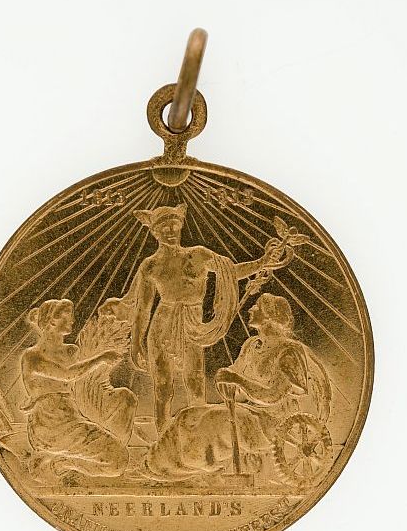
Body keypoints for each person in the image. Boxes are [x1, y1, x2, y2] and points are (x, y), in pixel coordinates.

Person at [104, 204, 278, 432]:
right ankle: (163, 438)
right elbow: (142, 309)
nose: (170, 231)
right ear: (155, 232)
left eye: (174, 225)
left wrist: (262, 262)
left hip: (192, 326)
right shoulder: (151, 265)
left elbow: (230, 272)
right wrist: (136, 343)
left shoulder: (198, 254)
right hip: (162, 326)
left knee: (195, 383)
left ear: (180, 227)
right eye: (164, 227)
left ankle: (198, 436)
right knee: (163, 387)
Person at [144, 293, 331, 480]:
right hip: (249, 411)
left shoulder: (288, 352)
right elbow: (235, 376)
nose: (251, 309)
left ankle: (200, 465)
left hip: (272, 422)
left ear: (269, 316)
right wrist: (224, 377)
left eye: (257, 307)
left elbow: (273, 396)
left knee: (212, 419)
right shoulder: (251, 345)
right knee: (187, 415)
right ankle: (157, 464)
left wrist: (237, 380)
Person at [20, 298, 129, 482]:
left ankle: (61, 463)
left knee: (119, 459)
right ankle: (55, 465)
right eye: (67, 316)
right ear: (52, 321)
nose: (72, 321)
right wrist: (101, 358)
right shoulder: (32, 357)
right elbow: (67, 375)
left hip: (73, 419)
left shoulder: (70, 352)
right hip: (49, 426)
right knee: (117, 460)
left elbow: (80, 376)